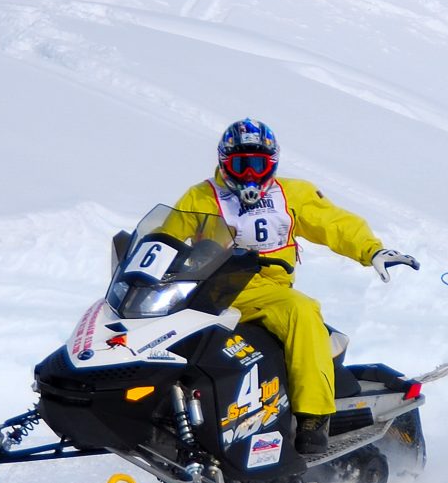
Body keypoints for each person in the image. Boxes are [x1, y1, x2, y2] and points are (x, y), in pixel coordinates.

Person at [161, 119, 419, 454]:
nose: (250, 175)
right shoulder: (200, 196)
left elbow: (335, 224)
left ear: (273, 164)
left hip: (267, 290)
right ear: (226, 162)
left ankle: (314, 417)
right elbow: (165, 239)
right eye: (241, 165)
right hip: (209, 288)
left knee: (302, 309)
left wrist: (372, 250)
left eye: (258, 165)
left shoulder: (291, 193)